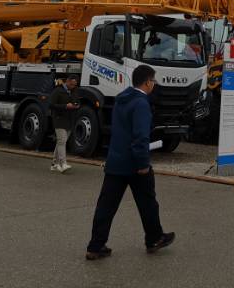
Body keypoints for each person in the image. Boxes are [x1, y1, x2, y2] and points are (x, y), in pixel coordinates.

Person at [86, 65, 175, 260]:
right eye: (154, 81)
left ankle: (95, 246)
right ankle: (154, 238)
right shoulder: (141, 104)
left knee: (106, 206)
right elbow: (140, 136)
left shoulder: (121, 100)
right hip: (135, 164)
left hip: (115, 161)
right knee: (148, 203)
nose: (154, 84)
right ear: (147, 82)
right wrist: (143, 164)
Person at [49, 74, 80, 173]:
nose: (72, 86)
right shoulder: (58, 91)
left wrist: (76, 105)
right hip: (59, 119)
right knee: (62, 141)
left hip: (70, 119)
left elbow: (77, 101)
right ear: (67, 81)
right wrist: (65, 106)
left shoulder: (74, 91)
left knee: (61, 142)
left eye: (74, 85)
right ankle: (63, 163)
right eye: (71, 84)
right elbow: (51, 105)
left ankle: (54, 164)